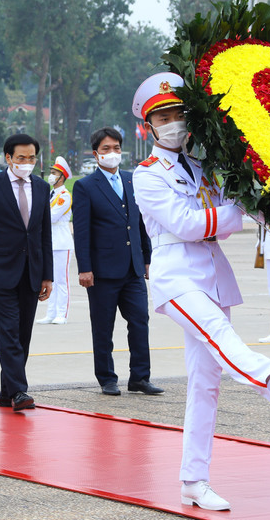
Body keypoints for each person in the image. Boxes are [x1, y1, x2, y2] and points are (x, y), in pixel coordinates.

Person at [131, 73, 270, 512]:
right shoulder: (146, 176)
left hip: (212, 274)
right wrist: (235, 212)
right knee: (222, 336)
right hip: (177, 277)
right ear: (148, 127)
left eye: (179, 113)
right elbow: (185, 225)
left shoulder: (202, 167)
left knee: (206, 385)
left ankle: (193, 481)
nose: (174, 123)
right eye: (163, 116)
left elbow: (238, 206)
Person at [73, 131, 162, 397]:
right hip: (102, 270)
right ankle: (107, 378)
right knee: (103, 326)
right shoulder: (86, 186)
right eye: (106, 148)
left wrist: (146, 258)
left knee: (140, 321)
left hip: (133, 268)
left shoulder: (132, 180)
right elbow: (82, 230)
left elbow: (140, 222)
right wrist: (84, 268)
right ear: (96, 153)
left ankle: (140, 377)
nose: (112, 152)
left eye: (116, 147)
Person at [0, 134, 53, 412]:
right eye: (21, 158)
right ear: (8, 158)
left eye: (31, 158)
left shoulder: (42, 187)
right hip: (0, 273)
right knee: (8, 333)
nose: (26, 163)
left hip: (32, 272)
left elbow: (44, 234)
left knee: (23, 334)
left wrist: (47, 275)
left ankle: (7, 392)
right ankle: (19, 391)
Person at [38, 156, 73, 325]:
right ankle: (51, 313)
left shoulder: (64, 196)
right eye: (51, 172)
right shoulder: (51, 194)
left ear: (62, 176)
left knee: (61, 280)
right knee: (50, 279)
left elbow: (51, 217)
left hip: (61, 242)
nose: (51, 176)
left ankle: (62, 313)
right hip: (49, 241)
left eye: (54, 173)